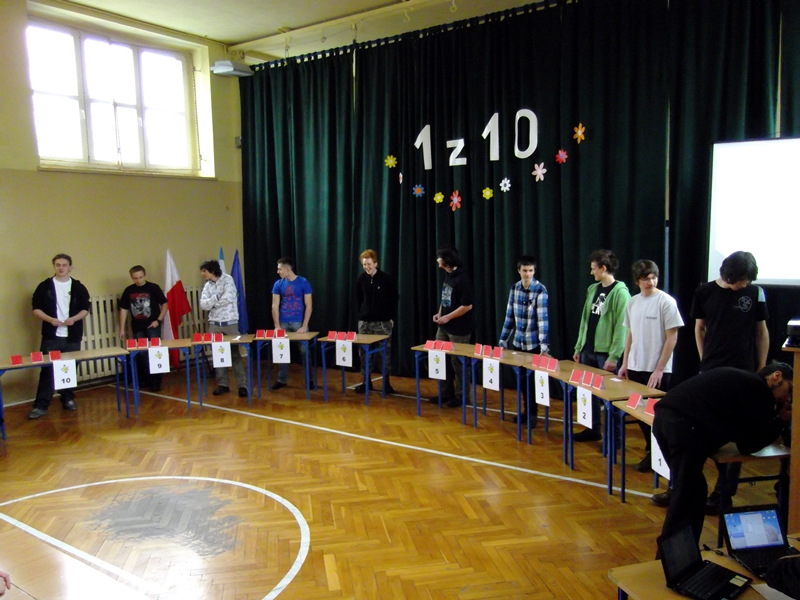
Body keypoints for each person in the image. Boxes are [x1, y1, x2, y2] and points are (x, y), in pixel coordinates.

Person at [652, 362, 793, 547]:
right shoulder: (760, 391)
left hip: (664, 419)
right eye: (789, 390)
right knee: (685, 499)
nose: (788, 398)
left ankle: (684, 553)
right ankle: (672, 556)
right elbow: (749, 445)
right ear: (777, 376)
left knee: (694, 493)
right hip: (684, 427)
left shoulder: (743, 378)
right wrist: (781, 420)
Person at [692, 250, 769, 513]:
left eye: (747, 280)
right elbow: (699, 328)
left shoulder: (755, 293)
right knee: (708, 429)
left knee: (738, 432)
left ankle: (723, 493)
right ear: (727, 275)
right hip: (712, 369)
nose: (743, 285)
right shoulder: (704, 291)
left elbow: (761, 332)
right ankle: (690, 487)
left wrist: (760, 369)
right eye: (740, 280)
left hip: (743, 371)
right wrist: (704, 361)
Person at [618, 260, 684, 473]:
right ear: (637, 281)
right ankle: (651, 450)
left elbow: (672, 337)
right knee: (639, 413)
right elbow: (630, 334)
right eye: (645, 278)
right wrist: (625, 363)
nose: (651, 282)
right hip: (635, 367)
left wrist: (659, 369)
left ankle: (661, 455)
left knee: (655, 414)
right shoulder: (633, 302)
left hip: (657, 370)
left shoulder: (666, 302)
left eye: (653, 277)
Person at [572, 249, 630, 441]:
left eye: (593, 268)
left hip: (605, 354)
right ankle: (592, 429)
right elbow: (585, 321)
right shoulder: (592, 289)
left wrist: (614, 356)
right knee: (589, 393)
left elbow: (622, 328)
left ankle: (614, 438)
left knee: (609, 397)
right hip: (588, 350)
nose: (591, 272)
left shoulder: (621, 293)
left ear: (603, 268)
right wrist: (579, 347)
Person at [28, 253, 91, 419]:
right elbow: (36, 309)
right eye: (58, 265)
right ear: (54, 267)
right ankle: (41, 405)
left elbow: (85, 309)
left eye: (64, 265)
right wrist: (50, 320)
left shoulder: (78, 287)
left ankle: (67, 398)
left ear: (70, 267)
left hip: (72, 337)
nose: (61, 268)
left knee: (69, 369)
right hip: (51, 337)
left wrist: (74, 319)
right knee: (48, 371)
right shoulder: (44, 286)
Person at [498, 255, 549, 427]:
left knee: (532, 381)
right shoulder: (514, 288)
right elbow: (509, 316)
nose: (527, 274)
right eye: (525, 270)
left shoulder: (540, 290)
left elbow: (542, 320)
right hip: (518, 343)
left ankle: (533, 413)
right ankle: (526, 411)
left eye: (530, 270)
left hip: (533, 344)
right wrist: (503, 339)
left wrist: (544, 346)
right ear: (519, 271)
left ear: (534, 271)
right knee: (521, 380)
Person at [428, 245, 475, 408]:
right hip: (444, 327)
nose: (438, 262)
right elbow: (445, 298)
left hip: (459, 329)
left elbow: (467, 305)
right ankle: (445, 392)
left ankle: (462, 396)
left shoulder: (463, 279)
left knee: (459, 362)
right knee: (439, 357)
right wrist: (440, 313)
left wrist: (448, 317)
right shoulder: (447, 275)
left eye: (440, 259)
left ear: (447, 261)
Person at [199, 259, 248, 397]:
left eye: (204, 271)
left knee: (235, 354)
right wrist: (216, 297)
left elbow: (229, 298)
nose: (202, 274)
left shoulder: (228, 279)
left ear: (212, 271)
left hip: (230, 322)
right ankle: (223, 384)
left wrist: (212, 303)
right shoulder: (207, 285)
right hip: (215, 324)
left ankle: (242, 386)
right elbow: (203, 305)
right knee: (219, 354)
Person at [118, 265, 168, 392]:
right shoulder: (129, 290)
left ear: (145, 275)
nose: (138, 280)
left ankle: (156, 381)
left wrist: (159, 320)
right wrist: (122, 328)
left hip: (153, 325)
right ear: (131, 277)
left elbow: (164, 304)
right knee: (142, 353)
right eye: (135, 278)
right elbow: (123, 309)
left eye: (140, 277)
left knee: (155, 352)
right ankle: (145, 378)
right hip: (137, 327)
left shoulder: (153, 287)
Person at [355, 249, 397, 394]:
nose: (367, 267)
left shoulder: (386, 279)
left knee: (384, 353)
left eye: (369, 264)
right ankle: (366, 382)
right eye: (364, 265)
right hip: (365, 322)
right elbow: (359, 298)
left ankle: (386, 383)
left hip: (382, 322)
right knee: (364, 352)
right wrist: (362, 315)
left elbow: (393, 299)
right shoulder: (361, 279)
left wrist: (391, 318)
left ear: (376, 264)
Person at [270, 257, 313, 391]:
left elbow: (309, 305)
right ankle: (281, 379)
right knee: (281, 350)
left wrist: (304, 325)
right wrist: (277, 326)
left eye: (280, 269)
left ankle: (309, 380)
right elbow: (274, 305)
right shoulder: (278, 284)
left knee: (304, 351)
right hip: (283, 321)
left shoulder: (303, 282)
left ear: (287, 269)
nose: (278, 271)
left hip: (298, 322)